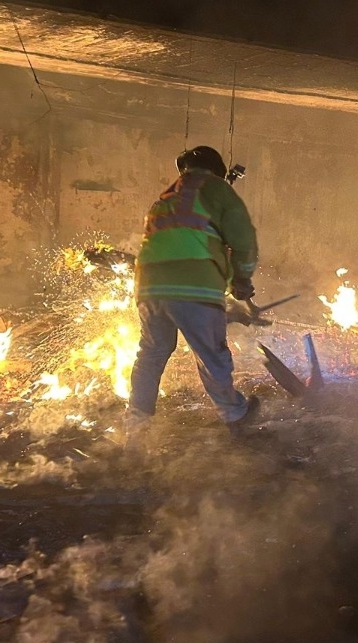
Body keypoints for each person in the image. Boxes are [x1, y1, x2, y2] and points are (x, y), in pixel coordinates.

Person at [125, 145, 261, 445]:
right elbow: (244, 241)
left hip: (149, 287)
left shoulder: (166, 198)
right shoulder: (218, 190)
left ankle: (136, 428)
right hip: (194, 286)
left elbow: (193, 242)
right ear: (217, 171)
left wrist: (231, 284)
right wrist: (241, 279)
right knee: (211, 354)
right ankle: (236, 417)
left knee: (151, 354)